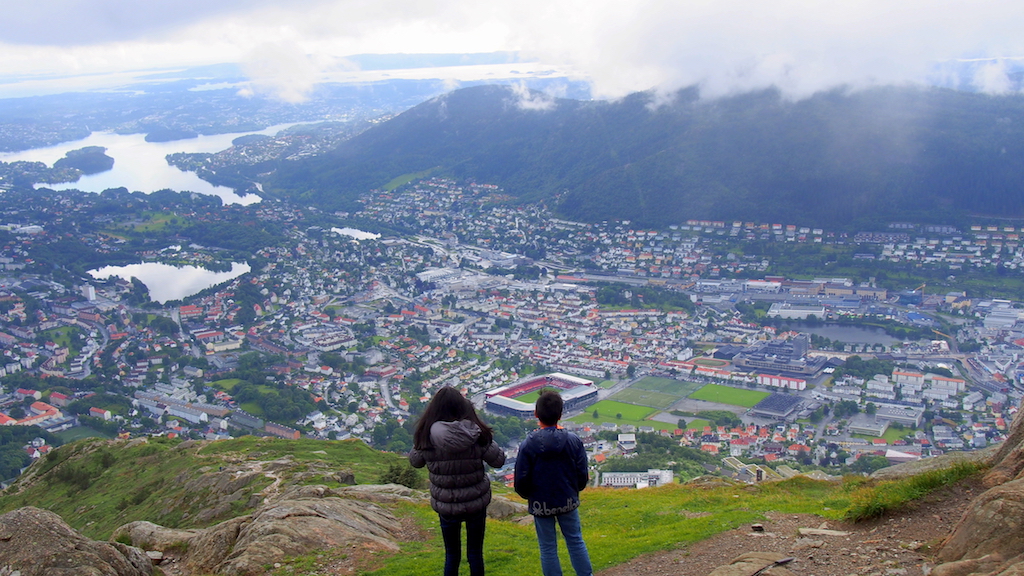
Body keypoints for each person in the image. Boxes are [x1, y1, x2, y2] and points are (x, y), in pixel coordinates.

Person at [409, 387, 506, 576]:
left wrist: (422, 439)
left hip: (447, 504)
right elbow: (499, 460)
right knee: (475, 554)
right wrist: (484, 435)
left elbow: (415, 461)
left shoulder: (428, 437)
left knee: (452, 555)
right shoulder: (475, 435)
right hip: (475, 502)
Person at [514, 390, 593, 576]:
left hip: (541, 503)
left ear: (536, 414)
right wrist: (574, 490)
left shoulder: (528, 444)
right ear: (561, 414)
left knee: (547, 547)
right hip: (567, 499)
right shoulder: (573, 441)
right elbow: (582, 474)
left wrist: (531, 496)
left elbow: (521, 479)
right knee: (575, 540)